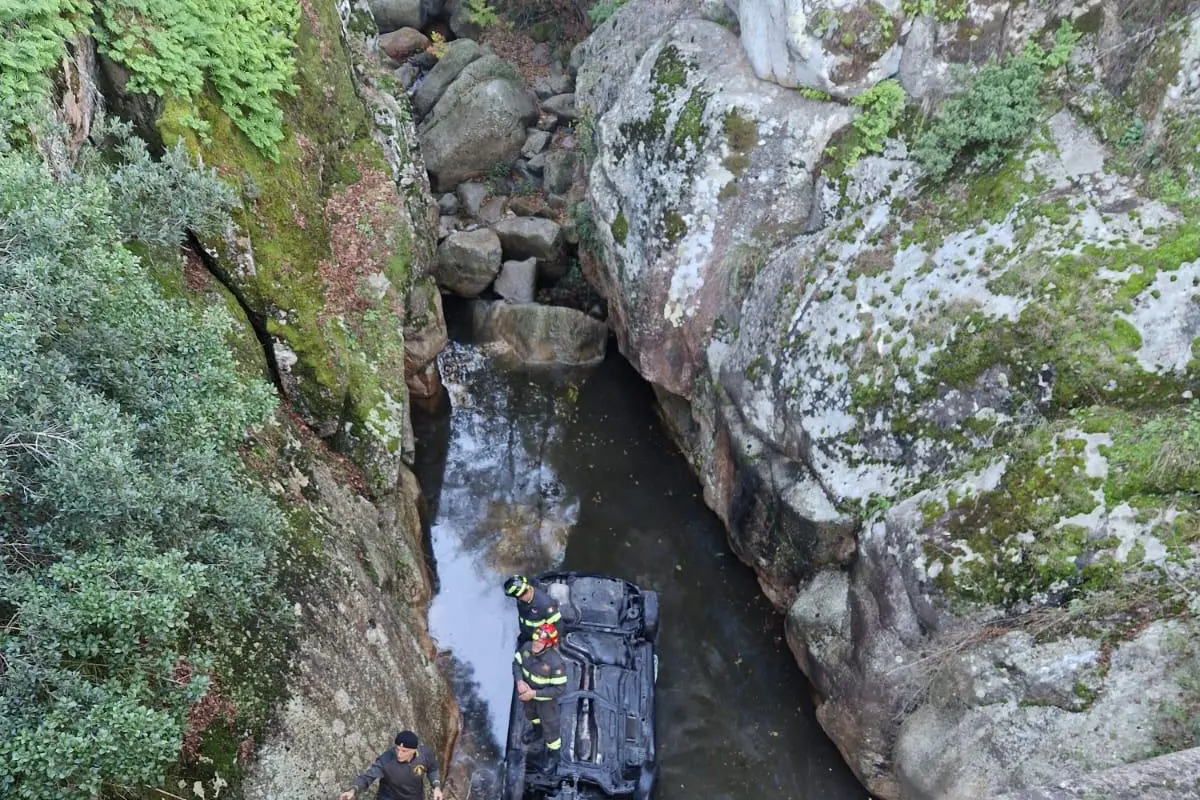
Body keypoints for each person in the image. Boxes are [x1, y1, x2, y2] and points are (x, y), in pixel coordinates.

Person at [513, 623, 569, 772]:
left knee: (550, 727)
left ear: (548, 645)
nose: (536, 644)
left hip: (546, 702)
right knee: (531, 715)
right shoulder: (526, 648)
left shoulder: (556, 664)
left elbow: (559, 689)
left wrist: (534, 694)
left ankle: (554, 754)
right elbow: (516, 664)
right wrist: (519, 681)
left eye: (540, 642)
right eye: (535, 640)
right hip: (528, 697)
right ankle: (537, 730)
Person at [339, 730, 443, 800]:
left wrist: (436, 787)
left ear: (414, 750)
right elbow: (367, 777)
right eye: (397, 749)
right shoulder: (386, 759)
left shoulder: (425, 755)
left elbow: (432, 769)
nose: (399, 754)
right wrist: (353, 790)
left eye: (404, 751)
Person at [503, 574, 562, 643]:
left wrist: (553, 642)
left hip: (538, 640)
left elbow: (558, 625)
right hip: (525, 634)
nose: (518, 599)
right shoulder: (521, 598)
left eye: (518, 597)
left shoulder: (545, 604)